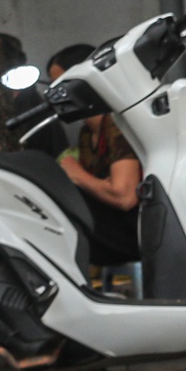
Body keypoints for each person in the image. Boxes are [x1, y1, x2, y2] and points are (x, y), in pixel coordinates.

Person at [48, 43, 143, 266]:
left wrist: (77, 175)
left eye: (61, 85)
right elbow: (104, 188)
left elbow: (124, 196)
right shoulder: (86, 134)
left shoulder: (116, 124)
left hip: (131, 234)